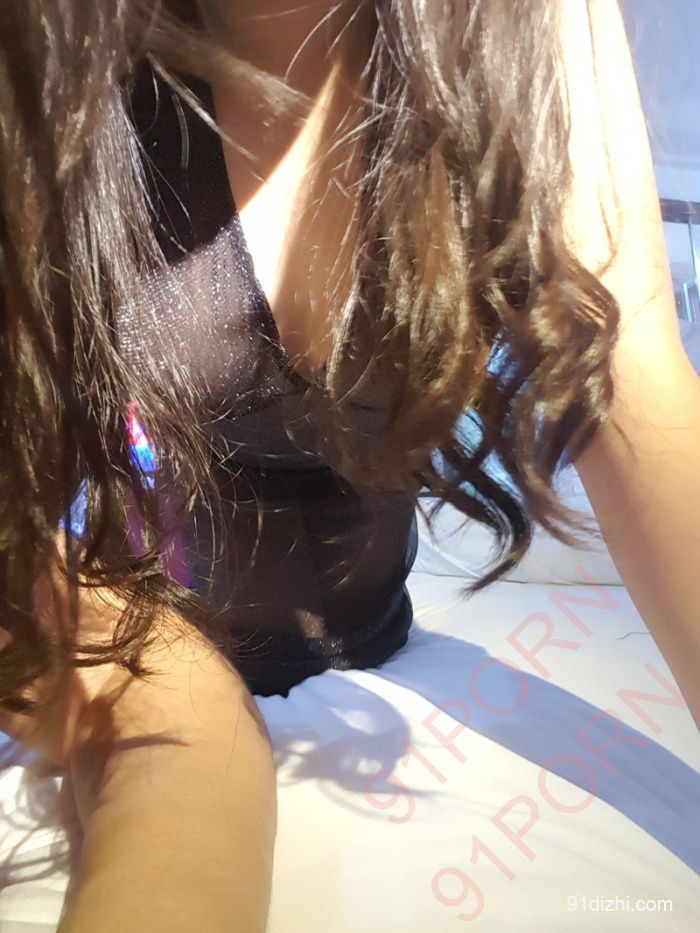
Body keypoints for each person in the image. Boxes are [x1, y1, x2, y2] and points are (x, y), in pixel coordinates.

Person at [0, 0, 698, 929]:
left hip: (380, 635)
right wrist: (174, 712)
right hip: (135, 636)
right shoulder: (47, 50)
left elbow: (629, 376)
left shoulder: (527, 23)